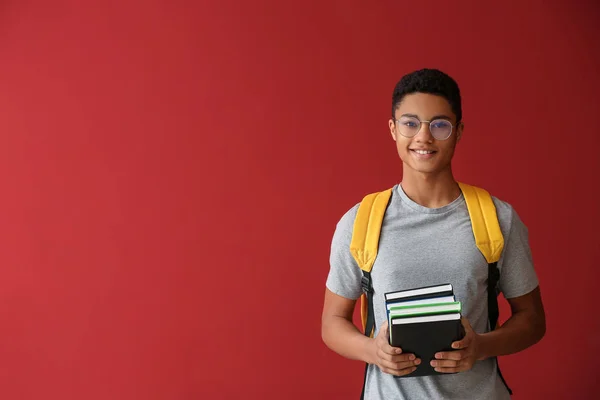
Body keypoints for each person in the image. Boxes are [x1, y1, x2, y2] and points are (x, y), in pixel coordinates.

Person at [321, 68, 546, 400]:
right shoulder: (360, 222)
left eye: (439, 124)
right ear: (393, 129)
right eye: (411, 123)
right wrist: (374, 352)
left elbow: (532, 319)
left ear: (458, 132)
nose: (423, 137)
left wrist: (480, 346)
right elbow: (332, 323)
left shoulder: (497, 218)